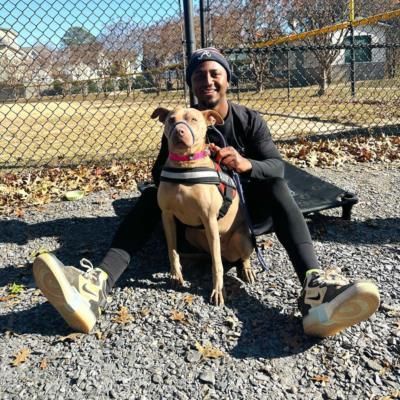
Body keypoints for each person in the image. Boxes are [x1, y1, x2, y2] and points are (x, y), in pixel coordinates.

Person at [33, 48, 380, 337]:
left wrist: (245, 164)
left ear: (228, 79)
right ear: (192, 84)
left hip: (244, 220)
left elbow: (276, 165)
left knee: (276, 184)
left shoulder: (248, 120)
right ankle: (97, 285)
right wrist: (188, 160)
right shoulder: (181, 124)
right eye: (199, 76)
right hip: (192, 227)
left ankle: (314, 287)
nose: (207, 80)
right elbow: (158, 174)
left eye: (215, 73)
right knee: (151, 196)